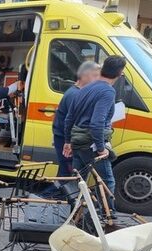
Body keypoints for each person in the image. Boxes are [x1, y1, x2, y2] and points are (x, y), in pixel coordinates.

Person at [64, 56, 126, 210]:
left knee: (78, 180)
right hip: (91, 144)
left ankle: (74, 214)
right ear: (120, 73)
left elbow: (69, 118)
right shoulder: (107, 91)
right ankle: (107, 216)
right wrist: (101, 148)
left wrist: (68, 141)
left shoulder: (84, 89)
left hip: (78, 141)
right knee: (106, 181)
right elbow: (96, 123)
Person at [52, 61, 101, 177]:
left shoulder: (77, 92)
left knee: (66, 172)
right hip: (66, 138)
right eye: (96, 76)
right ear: (86, 75)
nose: (98, 79)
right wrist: (68, 142)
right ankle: (52, 194)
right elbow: (74, 121)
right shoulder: (75, 95)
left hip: (66, 137)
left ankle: (56, 194)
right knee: (68, 173)